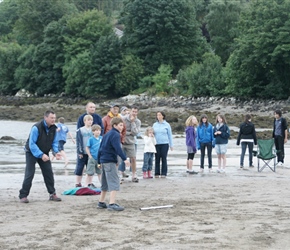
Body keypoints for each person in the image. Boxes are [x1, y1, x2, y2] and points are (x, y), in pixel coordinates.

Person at [19, 110, 62, 203]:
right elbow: (32, 144)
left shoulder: (54, 129)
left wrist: (56, 152)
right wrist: (41, 154)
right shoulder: (36, 127)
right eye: (51, 118)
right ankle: (23, 195)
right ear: (45, 118)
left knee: (49, 173)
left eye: (54, 118)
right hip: (31, 152)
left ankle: (52, 193)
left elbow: (54, 142)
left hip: (44, 152)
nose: (53, 120)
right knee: (29, 173)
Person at [97, 117, 130, 211]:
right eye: (120, 125)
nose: (122, 127)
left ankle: (101, 202)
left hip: (104, 160)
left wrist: (99, 161)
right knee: (114, 182)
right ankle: (112, 203)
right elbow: (117, 148)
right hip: (109, 160)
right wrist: (124, 159)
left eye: (122, 125)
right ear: (114, 125)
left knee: (104, 182)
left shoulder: (106, 134)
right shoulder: (115, 134)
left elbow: (100, 148)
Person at [122, 106, 141, 182]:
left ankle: (134, 174)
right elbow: (121, 130)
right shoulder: (124, 119)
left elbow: (136, 133)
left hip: (131, 142)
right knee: (119, 158)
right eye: (133, 111)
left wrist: (132, 122)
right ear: (130, 111)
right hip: (122, 141)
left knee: (133, 158)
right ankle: (120, 173)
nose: (134, 113)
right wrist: (129, 133)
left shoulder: (138, 121)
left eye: (136, 112)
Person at [153, 111, 173, 178]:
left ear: (163, 116)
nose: (158, 116)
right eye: (157, 115)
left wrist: (171, 145)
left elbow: (170, 135)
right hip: (156, 144)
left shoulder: (167, 125)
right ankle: (157, 173)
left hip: (165, 143)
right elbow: (152, 134)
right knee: (157, 158)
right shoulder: (155, 125)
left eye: (159, 115)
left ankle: (164, 173)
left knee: (164, 158)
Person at [75, 114, 93, 187]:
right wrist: (80, 152)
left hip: (91, 153)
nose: (90, 122)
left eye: (91, 120)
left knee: (90, 168)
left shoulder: (93, 130)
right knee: (80, 167)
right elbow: (78, 142)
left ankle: (89, 183)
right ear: (84, 121)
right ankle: (78, 182)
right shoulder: (80, 130)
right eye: (88, 120)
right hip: (82, 152)